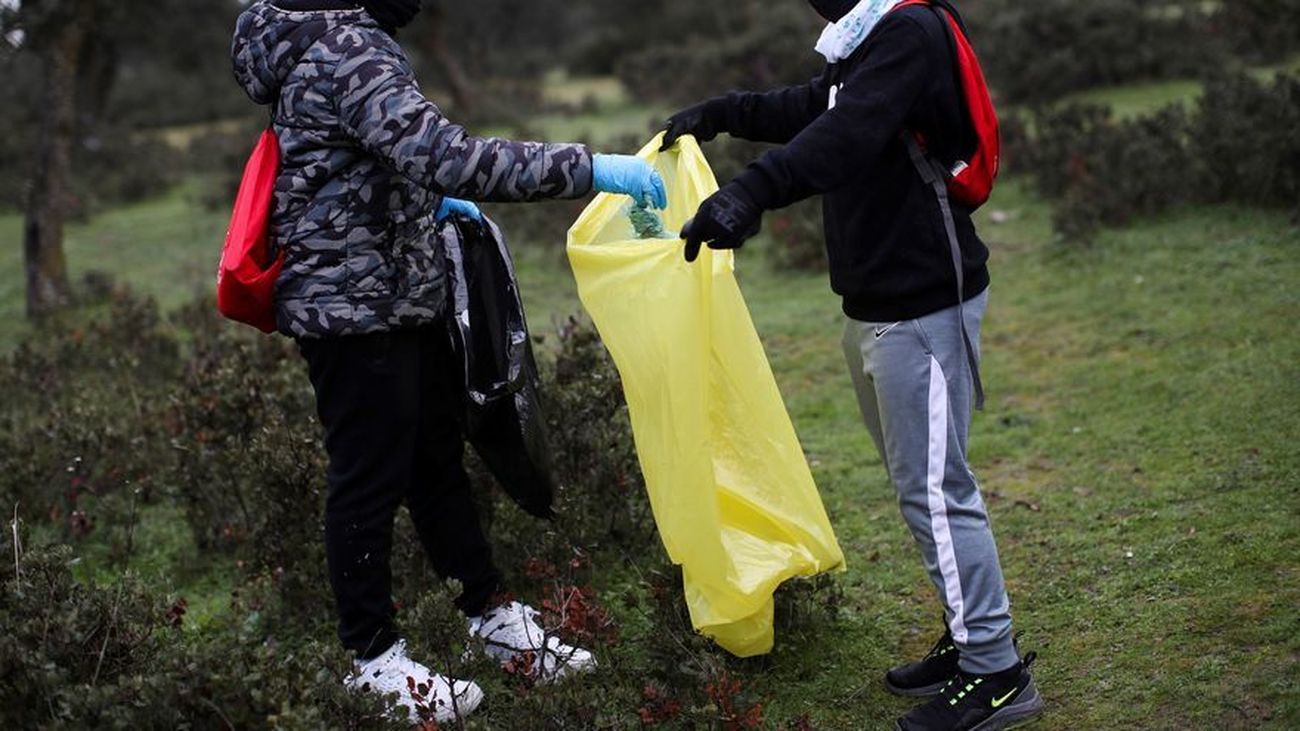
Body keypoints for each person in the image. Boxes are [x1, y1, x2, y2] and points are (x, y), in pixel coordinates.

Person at [230, 0, 667, 724]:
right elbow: (447, 153)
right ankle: (370, 659)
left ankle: (488, 614)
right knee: (367, 477)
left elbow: (374, 155)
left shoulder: (336, 42)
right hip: (352, 310)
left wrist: (428, 201)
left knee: (435, 459)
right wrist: (593, 167)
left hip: (396, 293)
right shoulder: (347, 47)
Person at [663, 1, 1044, 729]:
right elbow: (817, 105)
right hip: (876, 304)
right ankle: (971, 642)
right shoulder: (863, 39)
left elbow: (845, 133)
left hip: (922, 300)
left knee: (937, 492)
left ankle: (996, 671)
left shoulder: (908, 30)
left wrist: (748, 191)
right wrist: (722, 112)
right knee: (919, 488)